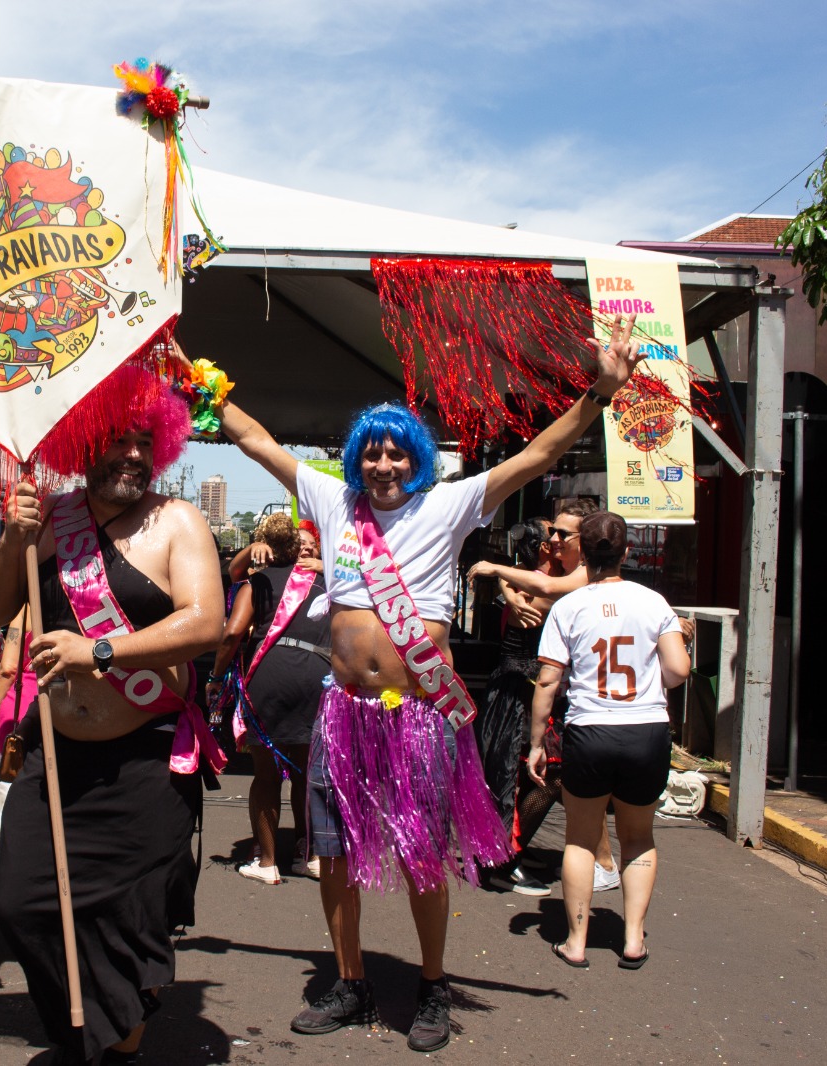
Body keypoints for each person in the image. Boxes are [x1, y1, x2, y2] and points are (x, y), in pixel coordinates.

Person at [193, 315, 644, 1053]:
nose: (382, 464)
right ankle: (349, 981)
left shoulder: (448, 505)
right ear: (355, 461)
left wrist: (600, 393)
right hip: (341, 714)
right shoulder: (333, 503)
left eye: (397, 452)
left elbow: (538, 454)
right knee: (331, 856)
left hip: (415, 720)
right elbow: (253, 438)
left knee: (419, 855)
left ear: (419, 460)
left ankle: (433, 984)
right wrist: (193, 375)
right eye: (371, 452)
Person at [0, 370, 225, 1066]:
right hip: (56, 759)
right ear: (84, 440)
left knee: (127, 925)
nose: (133, 455)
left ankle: (108, 1047)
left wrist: (102, 649)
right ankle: (87, 1032)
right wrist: (11, 541)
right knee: (22, 905)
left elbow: (206, 623)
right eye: (117, 438)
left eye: (145, 440)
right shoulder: (51, 517)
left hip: (144, 764)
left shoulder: (178, 520)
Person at [530, 511, 691, 969]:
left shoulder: (569, 606)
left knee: (580, 839)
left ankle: (576, 941)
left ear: (585, 550)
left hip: (590, 729)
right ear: (626, 551)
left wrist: (538, 740)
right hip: (645, 731)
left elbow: (547, 681)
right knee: (638, 837)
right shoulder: (655, 603)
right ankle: (634, 938)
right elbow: (678, 671)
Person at [469, 498, 624, 893]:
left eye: (561, 533)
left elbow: (543, 587)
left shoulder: (586, 576)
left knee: (543, 776)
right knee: (528, 776)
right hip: (523, 690)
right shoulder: (551, 571)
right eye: (550, 532)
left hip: (541, 691)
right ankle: (504, 856)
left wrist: (499, 574)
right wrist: (508, 586)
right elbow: (532, 581)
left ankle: (509, 852)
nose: (552, 539)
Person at [208, 512, 330, 884]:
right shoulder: (327, 582)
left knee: (265, 776)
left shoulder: (256, 583)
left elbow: (232, 634)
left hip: (270, 676)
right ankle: (308, 856)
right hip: (316, 677)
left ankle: (267, 864)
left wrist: (215, 678)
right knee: (306, 773)